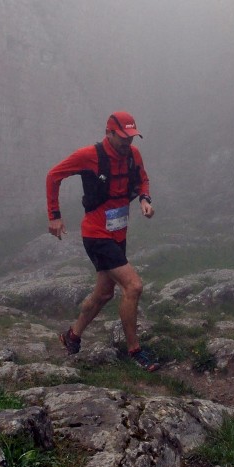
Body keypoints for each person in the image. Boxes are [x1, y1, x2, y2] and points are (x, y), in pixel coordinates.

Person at [46, 111, 159, 371]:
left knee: (104, 293)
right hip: (96, 234)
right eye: (122, 138)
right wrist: (55, 215)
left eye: (131, 137)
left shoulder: (133, 155)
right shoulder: (90, 155)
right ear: (109, 133)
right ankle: (135, 352)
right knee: (133, 286)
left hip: (118, 233)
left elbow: (143, 179)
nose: (127, 143)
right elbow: (54, 175)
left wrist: (145, 199)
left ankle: (72, 336)